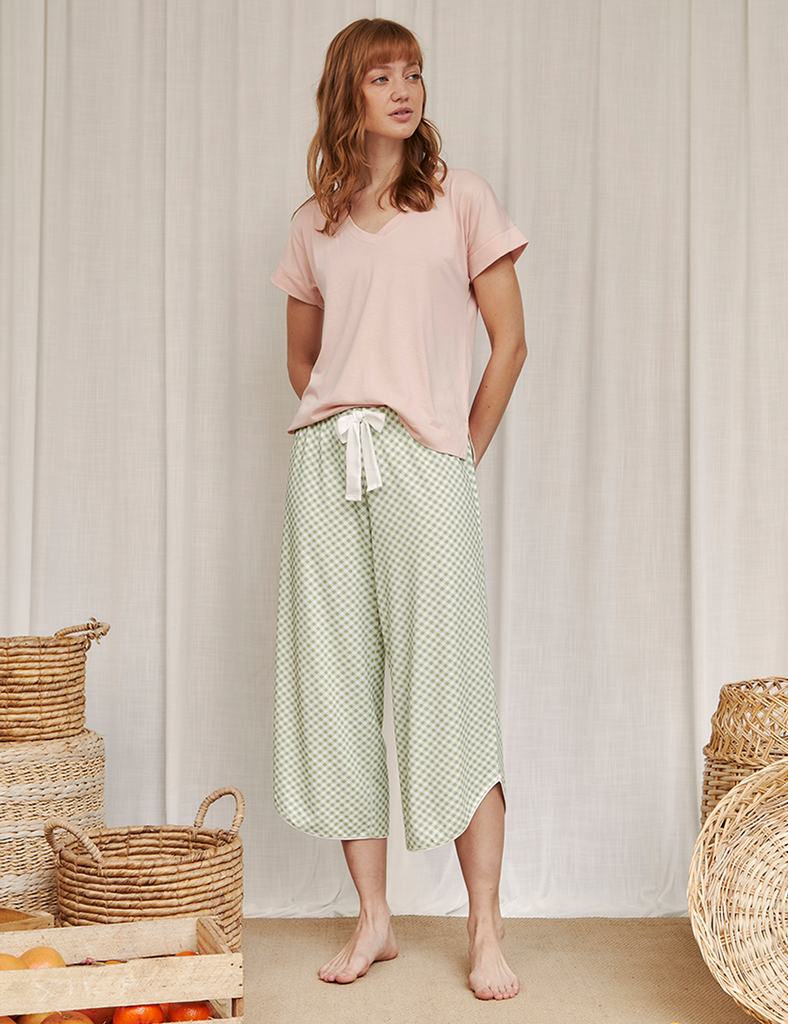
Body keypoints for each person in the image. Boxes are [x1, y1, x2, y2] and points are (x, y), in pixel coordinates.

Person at [271, 17, 527, 1001]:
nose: (404, 89)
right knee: (336, 693)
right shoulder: (315, 222)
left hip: (425, 466)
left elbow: (509, 343)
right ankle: (373, 917)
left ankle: (485, 927)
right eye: (381, 75)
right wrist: (347, 409)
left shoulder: (461, 200)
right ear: (349, 92)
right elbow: (302, 358)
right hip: (327, 469)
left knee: (448, 691)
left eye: (412, 72)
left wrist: (454, 449)